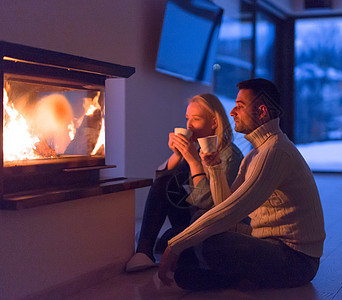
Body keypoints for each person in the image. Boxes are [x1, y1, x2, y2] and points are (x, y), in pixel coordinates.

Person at [158, 78, 326, 290]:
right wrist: (215, 167)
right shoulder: (256, 153)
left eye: (240, 106)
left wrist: (175, 248)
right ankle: (222, 275)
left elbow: (231, 212)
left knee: (210, 243)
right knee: (179, 234)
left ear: (262, 111)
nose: (232, 112)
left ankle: (226, 278)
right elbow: (224, 205)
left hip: (297, 260)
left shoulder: (274, 152)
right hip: (267, 241)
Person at [126, 93, 243, 272]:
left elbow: (209, 204)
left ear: (214, 122)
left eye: (195, 119)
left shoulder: (229, 155)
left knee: (168, 239)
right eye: (187, 118)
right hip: (193, 215)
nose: (188, 126)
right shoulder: (196, 147)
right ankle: (144, 250)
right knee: (167, 181)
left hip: (212, 223)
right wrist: (177, 154)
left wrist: (194, 162)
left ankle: (159, 241)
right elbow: (160, 182)